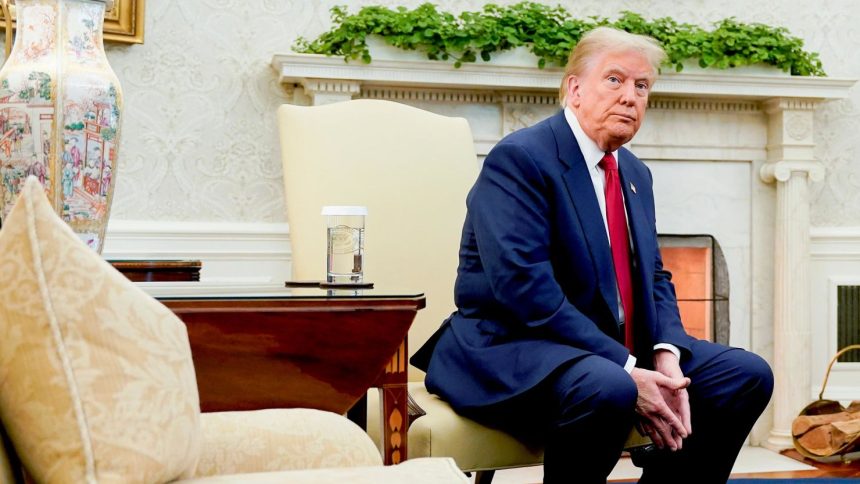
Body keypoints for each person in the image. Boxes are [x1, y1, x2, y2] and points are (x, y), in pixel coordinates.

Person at [411, 27, 773, 484]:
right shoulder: (520, 159)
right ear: (575, 88)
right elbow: (523, 289)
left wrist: (665, 354)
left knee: (743, 374)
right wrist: (627, 368)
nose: (630, 97)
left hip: (605, 351)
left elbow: (655, 277)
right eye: (615, 80)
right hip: (511, 346)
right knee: (608, 384)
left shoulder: (635, 173)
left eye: (642, 86)